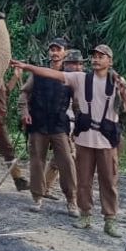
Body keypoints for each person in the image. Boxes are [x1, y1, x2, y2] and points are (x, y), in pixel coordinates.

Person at [15, 44, 126, 236]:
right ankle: (65, 207)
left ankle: (103, 216)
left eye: (101, 56)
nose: (96, 59)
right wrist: (26, 68)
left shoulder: (109, 80)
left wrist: (123, 92)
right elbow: (36, 84)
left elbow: (124, 108)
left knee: (100, 178)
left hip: (86, 133)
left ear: (110, 61)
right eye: (94, 56)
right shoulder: (75, 78)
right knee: (74, 176)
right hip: (52, 128)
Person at [17, 38, 79, 217]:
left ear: (65, 52)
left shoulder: (70, 75)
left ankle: (71, 201)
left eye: (58, 49)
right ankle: (37, 197)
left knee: (67, 161)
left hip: (59, 124)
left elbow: (76, 103)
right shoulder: (38, 72)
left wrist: (79, 125)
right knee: (37, 161)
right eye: (52, 49)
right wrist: (24, 113)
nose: (54, 52)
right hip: (38, 123)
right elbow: (24, 93)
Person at [43, 49, 84, 199]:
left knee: (58, 159)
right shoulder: (58, 80)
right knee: (69, 158)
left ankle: (45, 187)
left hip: (76, 125)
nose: (78, 67)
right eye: (74, 64)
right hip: (61, 125)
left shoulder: (82, 80)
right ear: (66, 64)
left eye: (80, 64)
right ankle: (72, 196)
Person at [0, 64, 28, 192]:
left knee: (8, 150)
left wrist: (16, 76)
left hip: (0, 120)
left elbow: (5, 93)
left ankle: (18, 180)